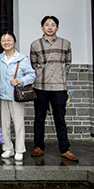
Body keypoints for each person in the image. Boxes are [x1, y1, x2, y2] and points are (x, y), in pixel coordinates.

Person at [30, 15, 77, 161]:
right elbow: (34, 64)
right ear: (42, 27)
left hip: (59, 87)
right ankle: (38, 147)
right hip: (41, 86)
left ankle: (65, 149)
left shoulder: (65, 43)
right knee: (39, 118)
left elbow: (68, 64)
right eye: (47, 24)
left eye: (53, 25)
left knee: (60, 119)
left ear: (57, 27)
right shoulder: (35, 44)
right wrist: (41, 74)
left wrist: (60, 76)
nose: (50, 27)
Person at [0, 31, 35, 162]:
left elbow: (32, 75)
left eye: (9, 40)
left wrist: (20, 81)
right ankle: (8, 148)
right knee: (4, 124)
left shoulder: (22, 59)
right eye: (3, 40)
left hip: (16, 96)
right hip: (2, 96)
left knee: (18, 124)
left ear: (15, 42)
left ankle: (19, 149)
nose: (6, 42)